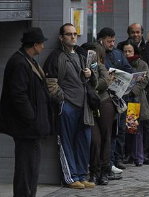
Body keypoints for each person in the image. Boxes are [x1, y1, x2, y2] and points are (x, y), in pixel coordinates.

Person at [0, 27, 52, 197]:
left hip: (31, 127)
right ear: (35, 44)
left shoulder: (28, 60)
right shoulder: (20, 62)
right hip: (26, 128)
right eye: (41, 43)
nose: (43, 47)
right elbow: (18, 95)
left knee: (31, 167)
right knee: (26, 168)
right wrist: (32, 117)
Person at [43, 23, 96, 189]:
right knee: (66, 143)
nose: (73, 37)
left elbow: (93, 80)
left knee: (84, 142)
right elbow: (50, 83)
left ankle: (81, 175)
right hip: (67, 106)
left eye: (75, 34)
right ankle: (71, 177)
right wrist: (62, 100)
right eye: (69, 34)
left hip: (84, 107)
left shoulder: (81, 55)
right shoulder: (56, 57)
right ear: (61, 37)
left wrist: (90, 74)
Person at [97, 27, 133, 172]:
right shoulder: (98, 54)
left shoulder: (118, 53)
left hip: (120, 98)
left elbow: (129, 70)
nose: (112, 44)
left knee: (120, 130)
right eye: (109, 41)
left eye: (113, 41)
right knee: (107, 132)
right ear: (101, 40)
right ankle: (106, 163)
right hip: (105, 99)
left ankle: (116, 159)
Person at [80, 42, 116, 185]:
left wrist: (92, 82)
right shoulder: (81, 66)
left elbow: (105, 81)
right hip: (89, 106)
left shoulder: (100, 66)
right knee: (95, 140)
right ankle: (94, 171)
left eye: (92, 54)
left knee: (106, 137)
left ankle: (104, 171)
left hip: (104, 103)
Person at [121, 40, 149, 166]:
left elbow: (144, 81)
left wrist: (131, 91)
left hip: (135, 101)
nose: (127, 53)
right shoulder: (120, 63)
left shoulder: (142, 64)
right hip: (122, 101)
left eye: (130, 51)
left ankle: (138, 157)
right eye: (125, 51)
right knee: (125, 131)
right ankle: (128, 155)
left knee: (135, 130)